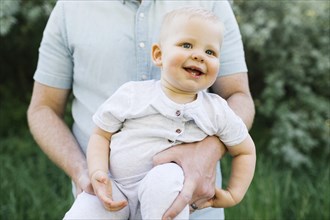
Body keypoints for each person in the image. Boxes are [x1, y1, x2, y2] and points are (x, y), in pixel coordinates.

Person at [27, 1, 255, 219]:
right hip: (106, 195)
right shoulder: (70, 7)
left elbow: (239, 97)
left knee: (165, 181)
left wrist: (209, 158)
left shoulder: (212, 3)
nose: (198, 55)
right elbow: (43, 108)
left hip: (192, 202)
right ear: (158, 55)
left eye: (210, 52)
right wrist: (85, 171)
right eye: (186, 45)